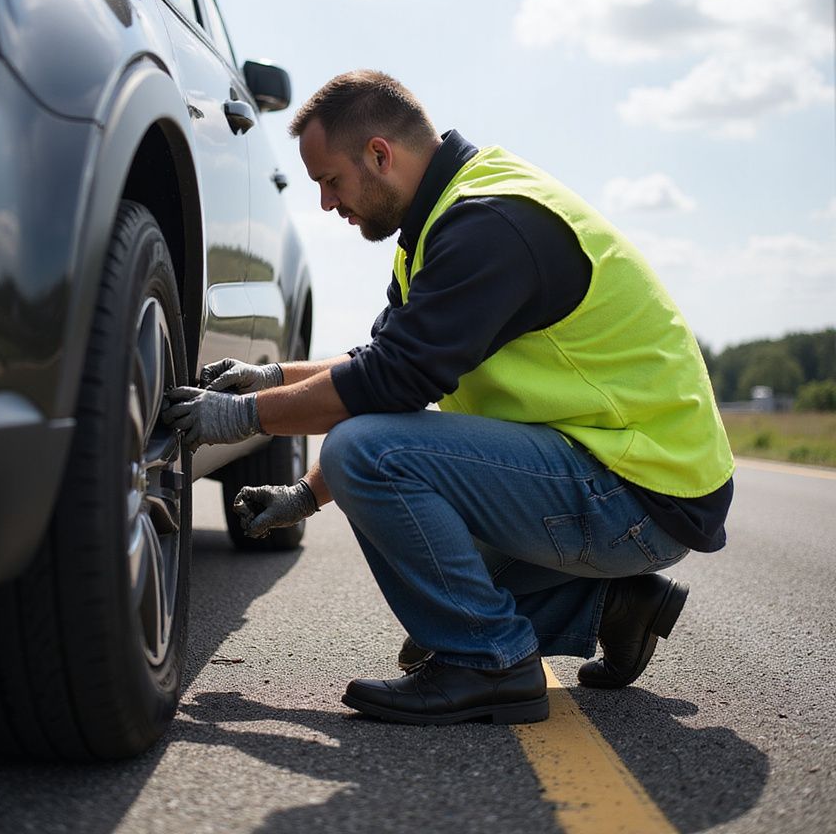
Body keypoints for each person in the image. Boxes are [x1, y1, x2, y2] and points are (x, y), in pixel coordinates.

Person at [163, 70, 734, 727]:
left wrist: (237, 417)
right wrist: (278, 392)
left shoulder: (487, 224)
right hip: (619, 477)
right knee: (434, 625)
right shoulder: (445, 222)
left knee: (375, 475)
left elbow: (388, 385)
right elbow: (380, 370)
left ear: (381, 154)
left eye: (330, 181)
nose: (324, 203)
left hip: (640, 488)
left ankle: (493, 663)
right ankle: (616, 606)